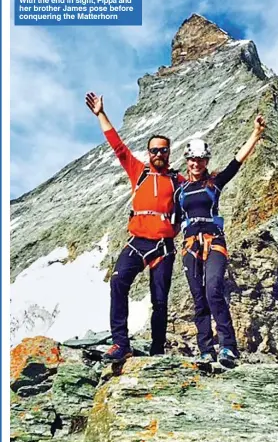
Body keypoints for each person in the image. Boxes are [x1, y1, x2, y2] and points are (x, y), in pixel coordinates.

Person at [86, 92, 185, 362]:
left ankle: (157, 350)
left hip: (163, 247)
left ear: (169, 152)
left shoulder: (179, 180)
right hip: (137, 242)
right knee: (118, 282)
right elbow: (117, 146)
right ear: (148, 153)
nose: (158, 154)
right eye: (154, 150)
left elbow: (203, 188)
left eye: (163, 150)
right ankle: (121, 343)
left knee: (160, 301)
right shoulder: (138, 172)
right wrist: (101, 115)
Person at [174, 115, 266, 368]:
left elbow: (237, 162)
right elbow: (171, 221)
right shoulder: (179, 191)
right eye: (192, 159)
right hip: (190, 244)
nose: (196, 163)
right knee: (198, 296)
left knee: (213, 289)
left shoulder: (214, 183)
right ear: (187, 160)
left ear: (206, 161)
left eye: (200, 159)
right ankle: (205, 349)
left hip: (214, 240)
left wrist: (256, 134)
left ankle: (228, 347)